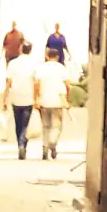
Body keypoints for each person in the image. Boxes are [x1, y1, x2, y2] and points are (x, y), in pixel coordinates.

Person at [38, 25, 69, 160]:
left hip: (44, 100)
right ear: (57, 57)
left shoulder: (42, 68)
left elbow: (36, 83)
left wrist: (36, 98)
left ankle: (44, 148)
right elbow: (68, 85)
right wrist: (67, 100)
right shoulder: (61, 68)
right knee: (56, 125)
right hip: (57, 101)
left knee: (45, 125)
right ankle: (52, 143)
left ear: (47, 55)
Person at [3, 38, 35, 160]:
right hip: (29, 98)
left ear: (21, 49)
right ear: (30, 51)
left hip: (15, 97)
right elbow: (36, 82)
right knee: (25, 124)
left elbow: (8, 82)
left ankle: (20, 144)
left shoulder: (12, 64)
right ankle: (22, 143)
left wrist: (5, 98)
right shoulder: (33, 64)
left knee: (18, 123)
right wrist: (37, 97)